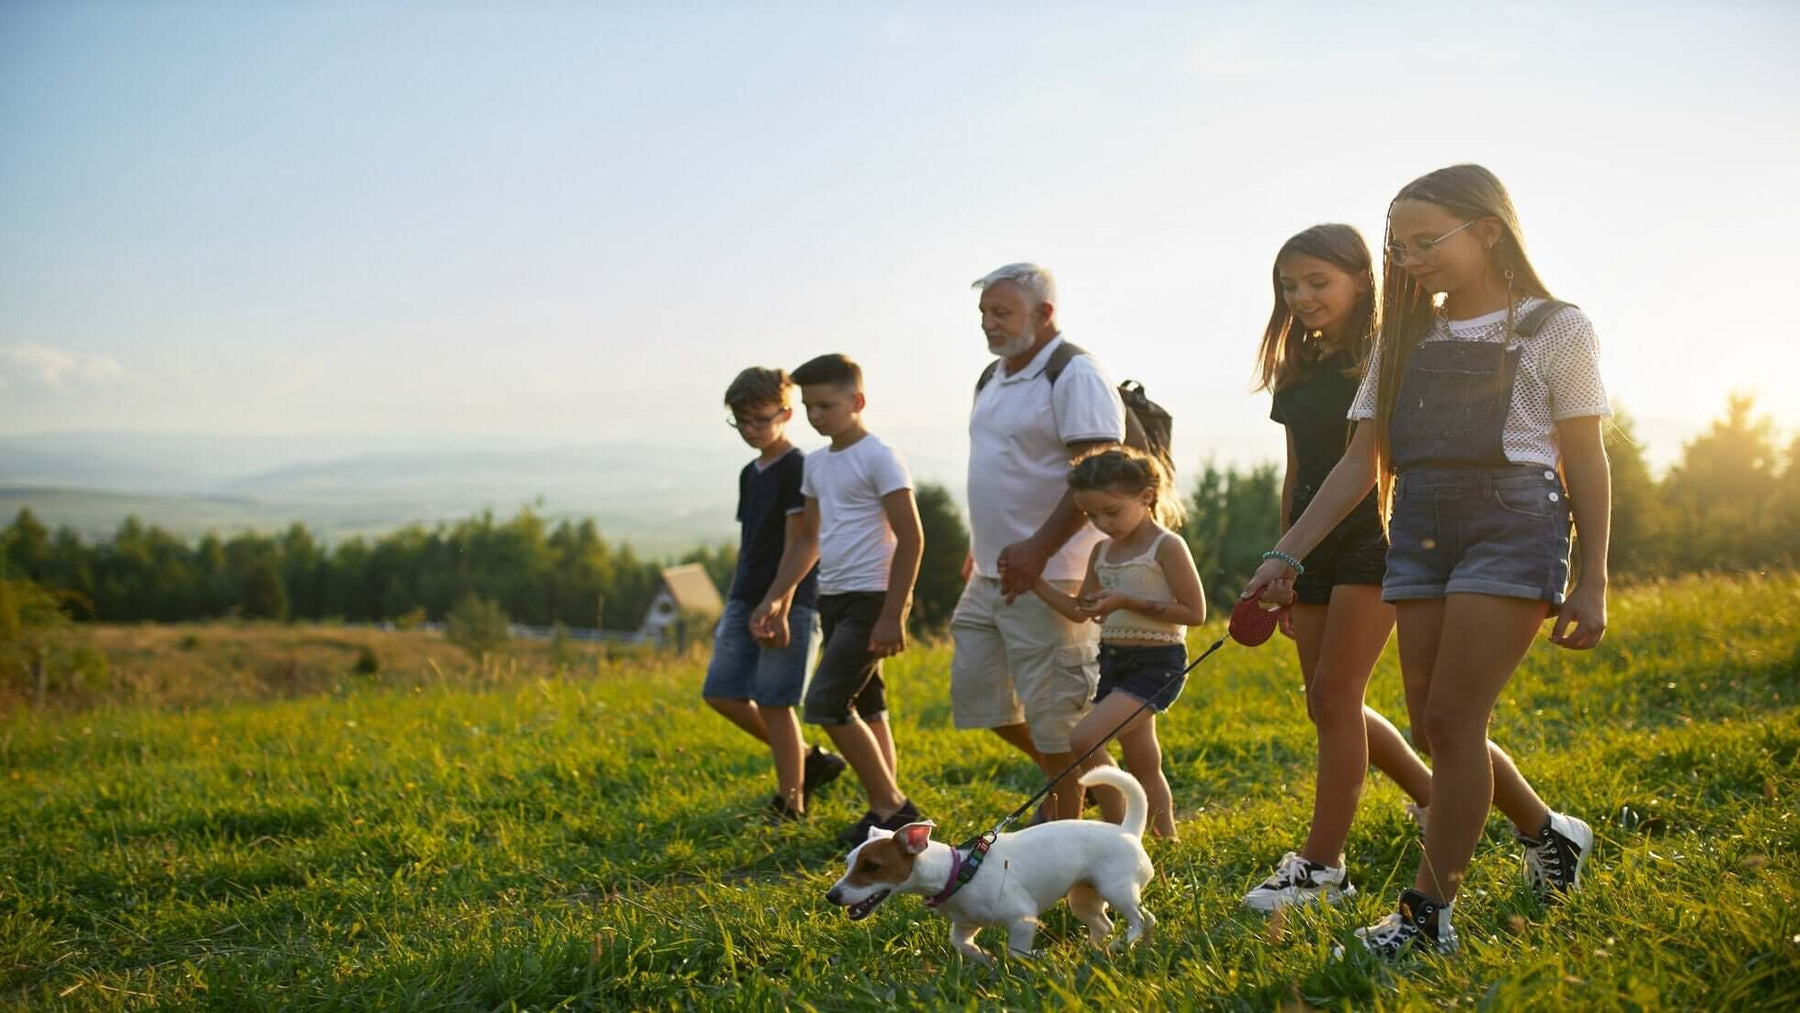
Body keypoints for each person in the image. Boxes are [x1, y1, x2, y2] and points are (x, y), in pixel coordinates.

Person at [1242, 164, 1611, 959]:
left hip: (1514, 521)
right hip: (1418, 526)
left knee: (1452, 717)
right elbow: (1357, 462)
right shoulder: (1406, 337)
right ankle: (1551, 833)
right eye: (1398, 245)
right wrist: (1285, 554)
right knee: (1432, 724)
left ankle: (1426, 915)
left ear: (1486, 229)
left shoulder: (1556, 326)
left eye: (1424, 241)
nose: (1407, 259)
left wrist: (1593, 576)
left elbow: (1586, 456)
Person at [1239, 226, 1435, 912]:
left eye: (1318, 281)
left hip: (1377, 537)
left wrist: (1294, 547)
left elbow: (1368, 461)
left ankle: (1324, 867)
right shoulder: (1300, 363)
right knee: (1328, 700)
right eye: (1290, 286)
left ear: (1360, 278)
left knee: (1335, 693)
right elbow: (1297, 469)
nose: (1301, 297)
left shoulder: (1385, 355)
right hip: (1310, 543)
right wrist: (1284, 552)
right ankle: (1437, 799)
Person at [954, 263, 1129, 822]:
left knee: (1058, 718)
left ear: (1045, 313)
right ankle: (1083, 781)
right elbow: (999, 469)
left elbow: (1101, 477)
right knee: (984, 699)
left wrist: (1038, 549)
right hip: (991, 571)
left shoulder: (1074, 373)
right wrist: (980, 547)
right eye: (985, 313)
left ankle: (1085, 827)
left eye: (1001, 312)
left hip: (1054, 577)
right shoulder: (992, 376)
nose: (989, 324)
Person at [752, 353, 927, 846]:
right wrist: (778, 598)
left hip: (873, 599)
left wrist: (895, 613)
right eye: (809, 406)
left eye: (826, 405)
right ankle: (882, 809)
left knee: (826, 702)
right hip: (834, 597)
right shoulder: (816, 464)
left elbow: (911, 537)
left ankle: (894, 809)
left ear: (858, 401)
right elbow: (807, 541)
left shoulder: (879, 457)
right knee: (867, 706)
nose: (816, 416)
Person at [1032, 448, 1204, 839]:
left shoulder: (1166, 546)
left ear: (1146, 496)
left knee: (1084, 739)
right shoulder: (1101, 552)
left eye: (1110, 511)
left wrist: (1126, 601)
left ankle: (1116, 833)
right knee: (1144, 761)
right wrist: (1036, 584)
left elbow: (1194, 612)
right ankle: (1166, 835)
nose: (1102, 523)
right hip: (1114, 661)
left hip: (1157, 663)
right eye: (1091, 515)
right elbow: (1082, 610)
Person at [700, 367, 847, 822]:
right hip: (745, 596)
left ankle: (791, 802)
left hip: (792, 601)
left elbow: (805, 539)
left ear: (786, 413)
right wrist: (737, 600)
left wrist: (779, 599)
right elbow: (753, 543)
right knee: (721, 691)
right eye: (741, 422)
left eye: (760, 420)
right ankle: (810, 759)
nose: (750, 431)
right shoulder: (751, 472)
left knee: (776, 701)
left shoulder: (796, 467)